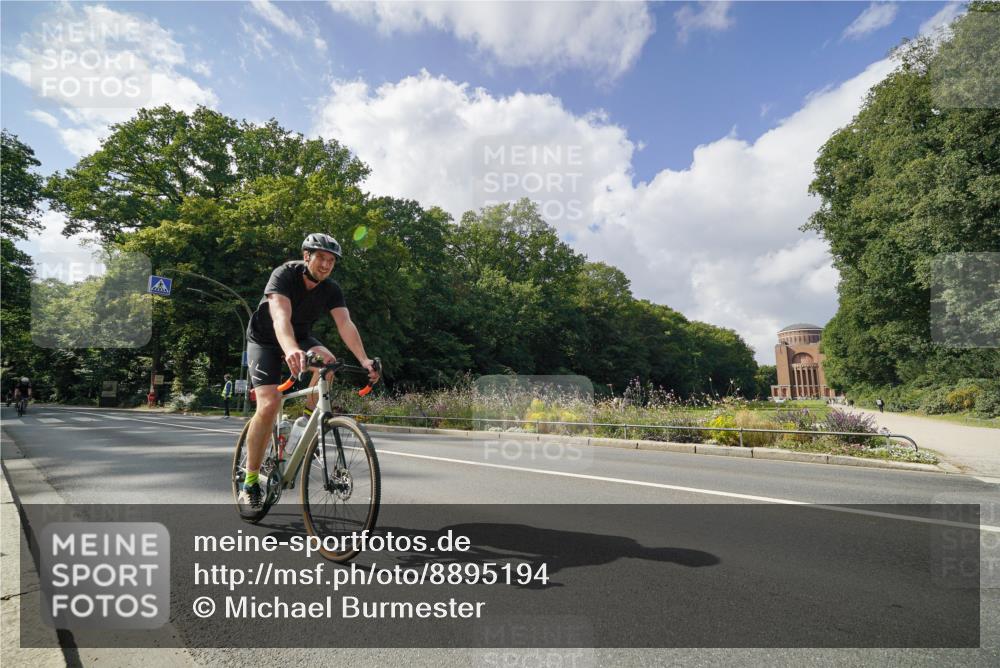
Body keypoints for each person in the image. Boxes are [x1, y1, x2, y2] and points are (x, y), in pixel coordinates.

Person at [239, 233, 379, 515]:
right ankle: (250, 483)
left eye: (331, 261)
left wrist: (365, 360)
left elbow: (345, 323)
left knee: (329, 363)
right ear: (306, 256)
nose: (326, 265)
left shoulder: (331, 289)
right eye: (321, 258)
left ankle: (305, 421)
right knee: (270, 404)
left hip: (301, 338)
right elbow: (280, 317)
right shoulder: (284, 275)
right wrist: (290, 349)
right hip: (266, 339)